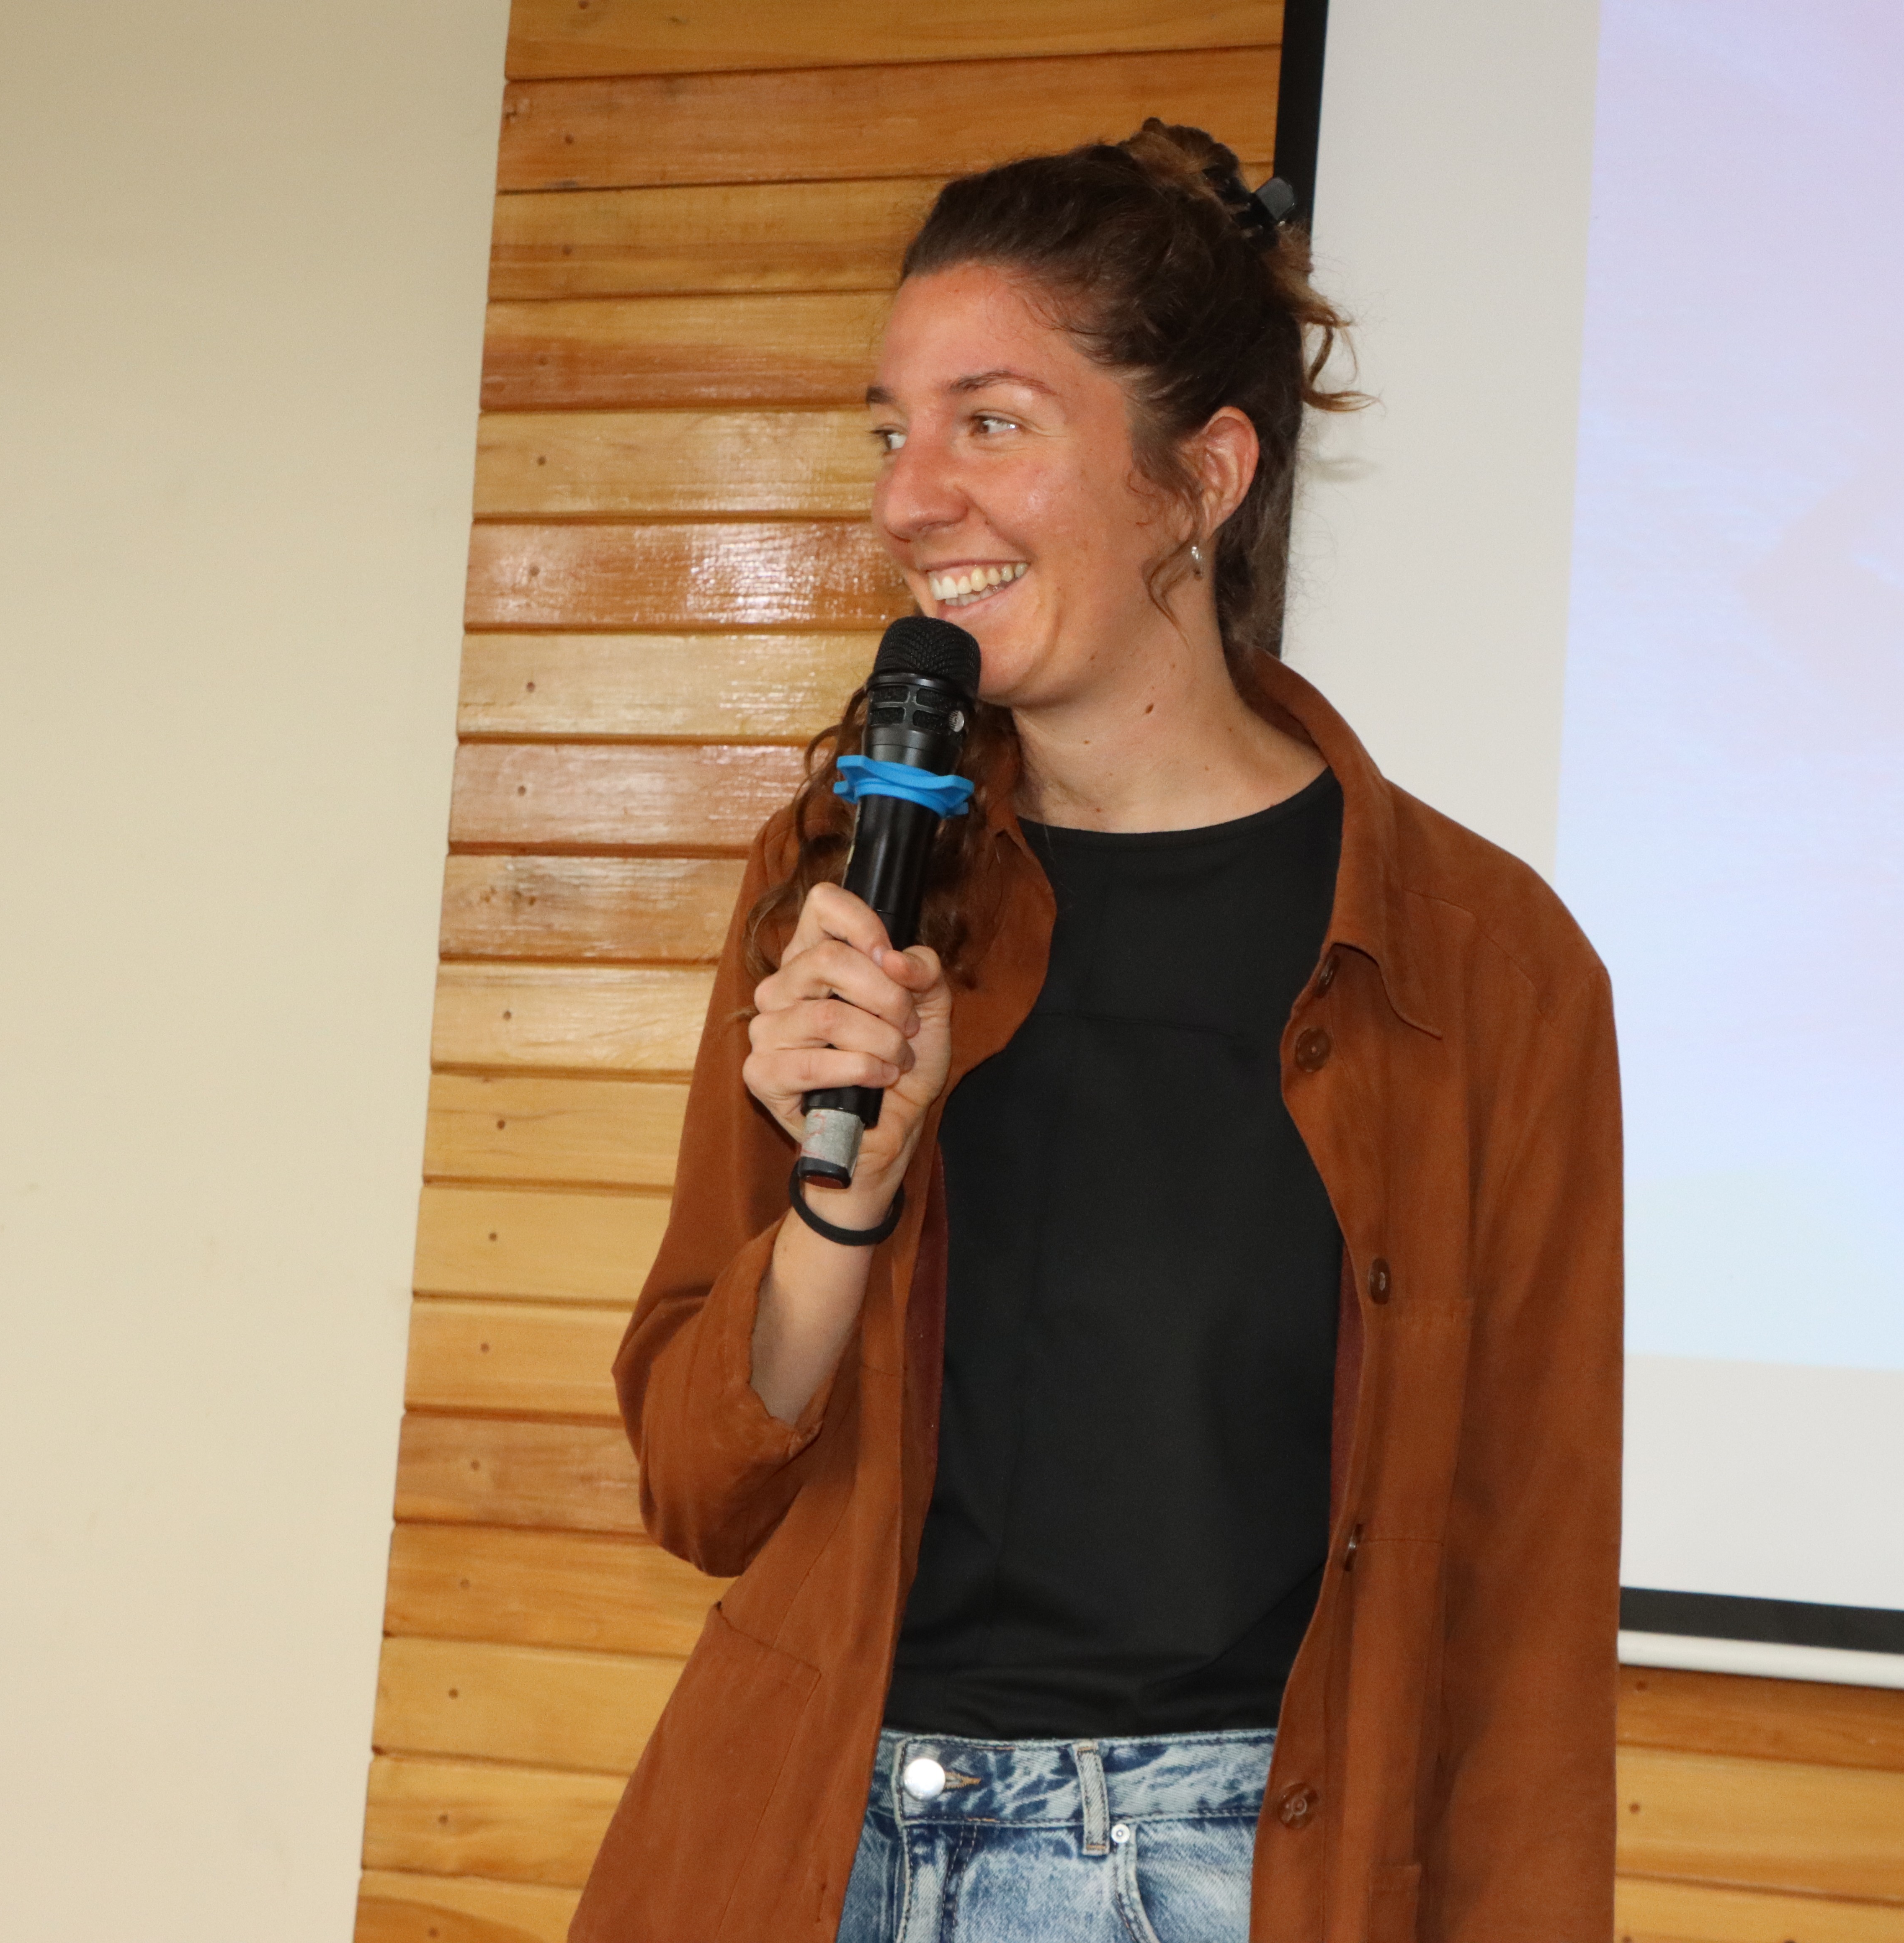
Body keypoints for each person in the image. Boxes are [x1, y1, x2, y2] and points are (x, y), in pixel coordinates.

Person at [568, 122, 1621, 1943]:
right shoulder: (840, 875)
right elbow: (696, 1476)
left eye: (992, 420)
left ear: (1200, 477)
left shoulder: (1486, 965)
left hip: (1214, 1874)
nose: (911, 495)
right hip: (807, 1839)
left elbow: (1521, 1601)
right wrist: (842, 1210)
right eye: (892, 429)